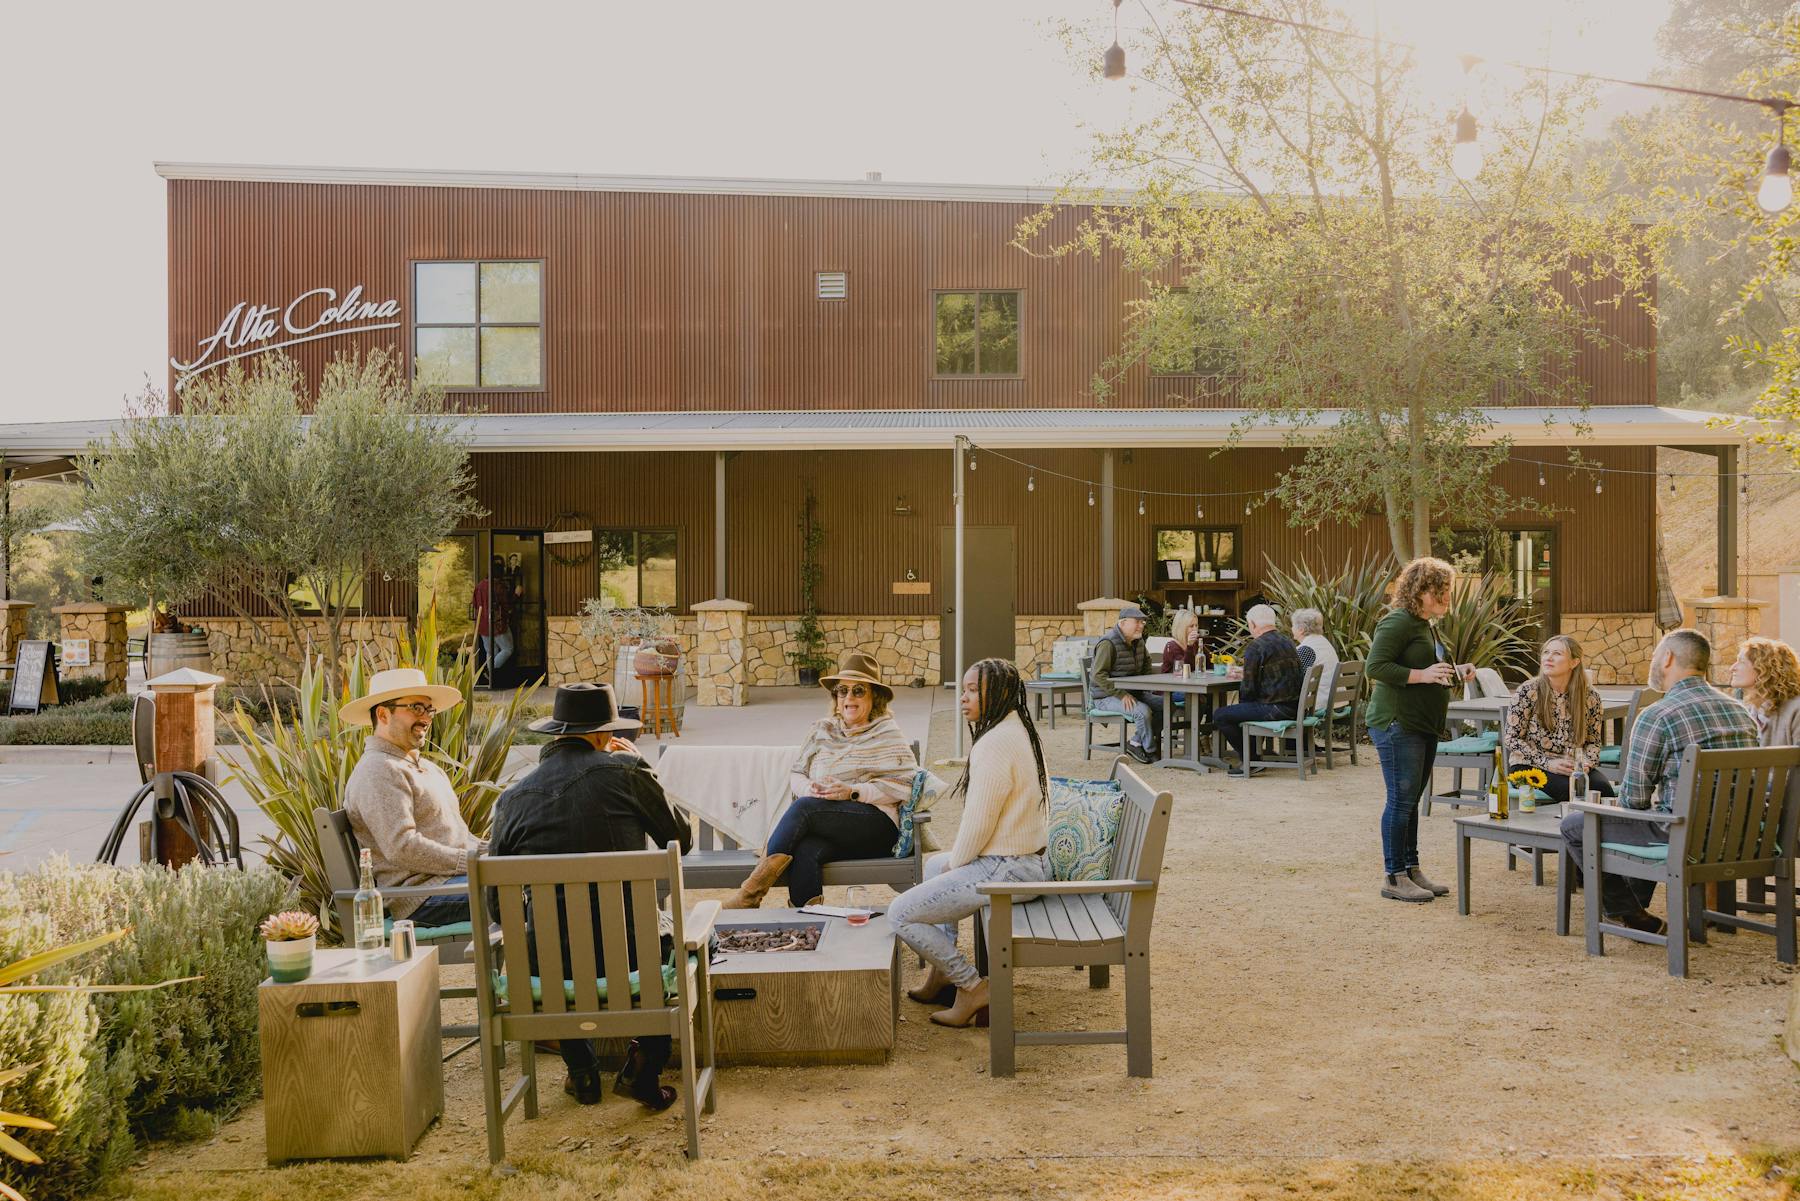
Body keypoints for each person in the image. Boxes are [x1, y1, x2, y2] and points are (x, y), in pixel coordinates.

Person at [488, 683, 691, 1109]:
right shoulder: (627, 774)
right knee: (664, 939)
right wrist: (640, 764)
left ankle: (582, 1074)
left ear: (557, 734)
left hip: (549, 973)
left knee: (546, 942)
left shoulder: (511, 799)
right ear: (603, 736)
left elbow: (496, 907)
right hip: (636, 962)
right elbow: (679, 839)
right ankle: (644, 1069)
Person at [1560, 628, 1757, 934]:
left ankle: (1628, 912)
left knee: (1574, 825)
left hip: (1684, 839)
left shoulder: (1658, 714)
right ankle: (1635, 908)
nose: (1652, 661)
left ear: (1667, 658)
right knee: (1648, 819)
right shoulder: (1741, 711)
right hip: (1742, 838)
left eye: (1654, 655)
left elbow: (1634, 801)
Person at [888, 657, 1050, 1028]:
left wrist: (957, 861)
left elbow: (979, 823)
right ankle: (941, 975)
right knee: (931, 866)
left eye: (973, 690)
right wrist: (950, 863)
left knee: (899, 914)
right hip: (1021, 860)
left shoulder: (993, 744)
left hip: (1008, 869)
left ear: (999, 692)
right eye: (963, 689)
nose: (963, 698)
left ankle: (971, 985)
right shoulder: (1014, 727)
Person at [724, 650, 917, 909]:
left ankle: (749, 895)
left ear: (875, 697)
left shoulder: (887, 732)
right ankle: (809, 925)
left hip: (876, 827)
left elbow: (902, 786)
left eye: (858, 691)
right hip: (827, 821)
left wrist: (852, 791)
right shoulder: (822, 730)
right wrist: (809, 788)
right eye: (842, 691)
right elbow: (797, 772)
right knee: (805, 850)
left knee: (805, 808)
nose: (849, 697)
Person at [341, 667, 481, 927]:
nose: (426, 718)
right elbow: (402, 846)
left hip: (447, 883)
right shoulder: (379, 770)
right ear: (383, 714)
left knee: (532, 880)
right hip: (421, 897)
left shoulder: (424, 767)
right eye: (416, 708)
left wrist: (491, 851)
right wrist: (470, 862)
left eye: (429, 710)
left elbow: (456, 834)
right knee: (521, 891)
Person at [1365, 557, 1469, 903]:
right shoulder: (1398, 622)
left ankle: (1411, 868)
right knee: (1401, 800)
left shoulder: (1427, 625)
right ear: (1419, 591)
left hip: (1422, 724)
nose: (1446, 597)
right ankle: (1394, 876)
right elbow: (1376, 667)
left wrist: (1459, 670)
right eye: (1440, 590)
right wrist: (1422, 676)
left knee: (1410, 802)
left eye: (1447, 590)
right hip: (1398, 724)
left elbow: (1430, 666)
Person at [1502, 635, 1617, 803]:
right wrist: (1548, 763)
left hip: (1571, 766)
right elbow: (1511, 739)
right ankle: (1569, 828)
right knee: (1570, 790)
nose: (1549, 657)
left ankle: (1595, 829)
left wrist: (1585, 763)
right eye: (1546, 652)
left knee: (1604, 790)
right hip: (1529, 764)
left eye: (1557, 653)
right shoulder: (1527, 691)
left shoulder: (1590, 697)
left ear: (1574, 662)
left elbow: (1593, 742)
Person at [1211, 603, 1304, 777]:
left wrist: (1244, 682)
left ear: (1253, 624)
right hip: (1294, 707)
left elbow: (1248, 690)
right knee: (1245, 708)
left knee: (1221, 715)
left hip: (1276, 708)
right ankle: (1255, 756)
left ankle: (1251, 759)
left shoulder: (1256, 646)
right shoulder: (1287, 641)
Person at [1088, 605, 1160, 765]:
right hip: (1106, 696)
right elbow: (1098, 675)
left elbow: (1147, 662)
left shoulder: (1138, 641)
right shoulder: (1108, 643)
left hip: (1134, 692)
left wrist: (1145, 686)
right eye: (1138, 621)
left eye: (1143, 622)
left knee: (1167, 706)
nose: (1142, 625)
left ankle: (1135, 743)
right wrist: (1121, 694)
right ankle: (1150, 751)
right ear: (1123, 622)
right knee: (1143, 712)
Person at [1728, 636, 1800, 748]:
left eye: (1741, 661)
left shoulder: (1796, 710)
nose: (1732, 668)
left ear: (1764, 668)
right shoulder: (1748, 711)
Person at [1160, 608, 1204, 675]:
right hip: (1172, 683)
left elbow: (1210, 661)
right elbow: (1185, 669)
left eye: (1196, 625)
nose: (1195, 629)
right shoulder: (1171, 647)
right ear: (1182, 628)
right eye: (1191, 626)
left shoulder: (1196, 643)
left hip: (1191, 682)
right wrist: (1189, 646)